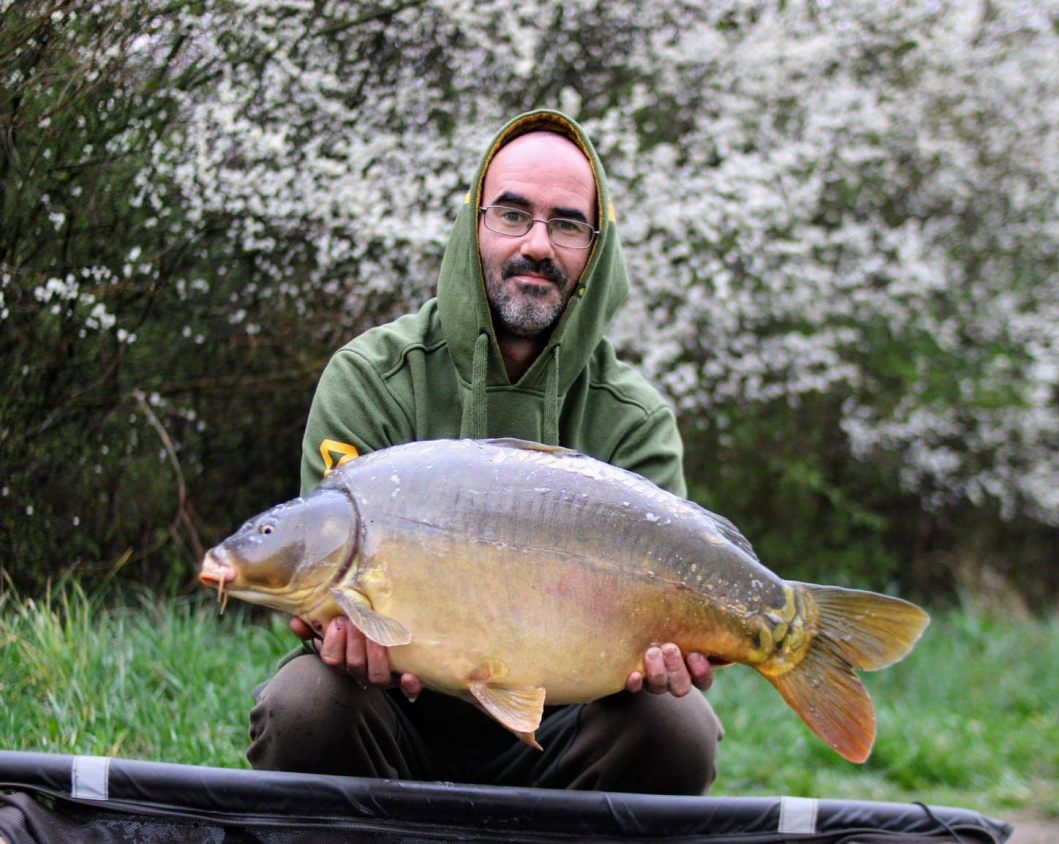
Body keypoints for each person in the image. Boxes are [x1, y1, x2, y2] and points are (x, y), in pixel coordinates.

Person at [247, 109, 724, 794]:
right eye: (512, 214)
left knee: (678, 727)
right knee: (304, 704)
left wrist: (676, 652)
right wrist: (339, 634)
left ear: (597, 250)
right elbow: (322, 571)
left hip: (568, 723)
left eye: (567, 225)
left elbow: (673, 614)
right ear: (474, 224)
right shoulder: (370, 378)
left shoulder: (634, 418)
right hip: (392, 712)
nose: (537, 244)